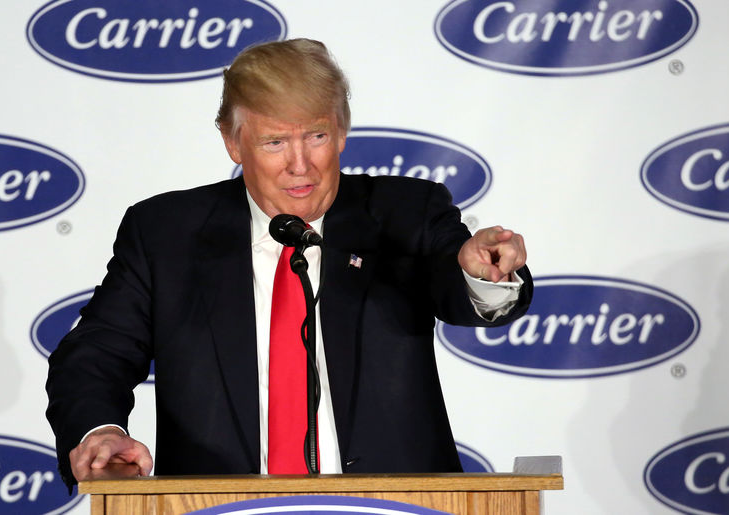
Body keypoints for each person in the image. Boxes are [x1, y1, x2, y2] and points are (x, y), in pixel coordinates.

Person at [46, 38, 533, 491]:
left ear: (341, 131)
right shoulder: (165, 233)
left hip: (394, 503)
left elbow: (457, 286)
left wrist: (482, 272)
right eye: (275, 142)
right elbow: (95, 356)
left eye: (316, 135)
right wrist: (100, 431)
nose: (300, 165)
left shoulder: (404, 213)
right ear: (233, 142)